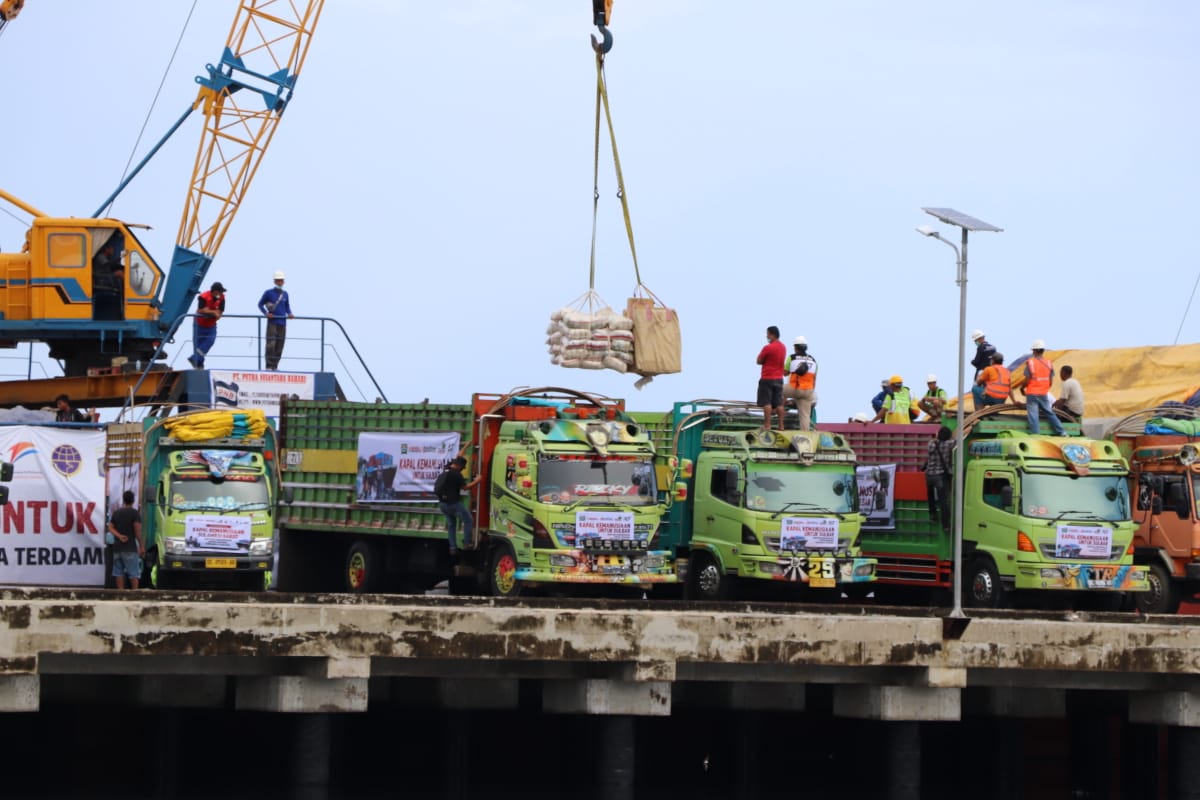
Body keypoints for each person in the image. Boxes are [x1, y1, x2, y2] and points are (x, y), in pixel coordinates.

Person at [1019, 340, 1066, 436]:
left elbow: (1027, 380)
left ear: (1035, 351)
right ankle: (1062, 432)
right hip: (1043, 393)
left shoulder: (1031, 363)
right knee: (1049, 412)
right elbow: (1050, 381)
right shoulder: (1049, 364)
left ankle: (1036, 435)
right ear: (1043, 351)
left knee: (1033, 415)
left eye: (1033, 351)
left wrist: (1022, 388)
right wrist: (1044, 388)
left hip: (1032, 393)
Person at [437, 456, 481, 555]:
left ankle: (452, 547)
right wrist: (477, 480)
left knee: (452, 525)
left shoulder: (446, 469)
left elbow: (459, 455)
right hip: (454, 504)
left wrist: (466, 445)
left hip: (443, 504)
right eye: (462, 467)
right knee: (468, 520)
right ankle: (467, 543)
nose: (462, 469)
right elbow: (465, 487)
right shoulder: (456, 474)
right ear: (459, 466)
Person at [257, 270, 294, 370]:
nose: (280, 282)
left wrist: (290, 313)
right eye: (278, 281)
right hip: (272, 322)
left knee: (280, 345)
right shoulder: (268, 293)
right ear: (274, 281)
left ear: (283, 281)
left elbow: (287, 306)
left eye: (281, 280)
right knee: (271, 344)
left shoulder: (285, 294)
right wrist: (266, 313)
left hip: (282, 322)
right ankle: (269, 365)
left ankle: (275, 366)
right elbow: (260, 304)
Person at [108, 490, 144, 590]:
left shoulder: (116, 513)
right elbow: (137, 532)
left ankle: (120, 594)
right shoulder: (135, 513)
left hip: (117, 548)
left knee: (118, 572)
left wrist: (119, 536)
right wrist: (141, 546)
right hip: (130, 548)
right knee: (133, 573)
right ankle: (134, 594)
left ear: (124, 500)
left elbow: (110, 527)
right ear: (133, 500)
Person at [923, 426, 954, 534]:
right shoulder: (950, 444)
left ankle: (932, 515)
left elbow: (934, 440)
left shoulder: (931, 443)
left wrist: (937, 436)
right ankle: (946, 525)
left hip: (929, 475)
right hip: (940, 476)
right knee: (943, 501)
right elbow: (957, 440)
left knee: (930, 496)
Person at [783, 335, 817, 431]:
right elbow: (815, 378)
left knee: (775, 389)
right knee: (805, 416)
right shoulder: (813, 360)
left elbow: (785, 373)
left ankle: (775, 411)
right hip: (809, 391)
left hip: (795, 388)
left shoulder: (792, 358)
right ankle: (805, 435)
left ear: (795, 347)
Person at [755, 326, 786, 431]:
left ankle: (767, 425)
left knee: (767, 403)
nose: (767, 336)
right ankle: (781, 426)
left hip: (767, 378)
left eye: (768, 334)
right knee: (779, 403)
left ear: (772, 334)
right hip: (779, 378)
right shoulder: (783, 347)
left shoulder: (768, 347)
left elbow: (759, 361)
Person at [189, 281, 226, 369]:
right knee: (198, 345)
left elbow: (220, 311)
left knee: (210, 341)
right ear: (215, 291)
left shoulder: (222, 298)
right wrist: (213, 312)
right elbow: (201, 310)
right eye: (220, 292)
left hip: (211, 325)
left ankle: (194, 358)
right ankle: (199, 364)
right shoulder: (203, 296)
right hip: (199, 324)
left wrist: (211, 312)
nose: (221, 294)